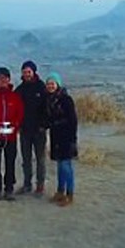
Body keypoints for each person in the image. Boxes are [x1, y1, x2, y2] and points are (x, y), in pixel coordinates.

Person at [0, 67, 24, 201]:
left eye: (5, 77)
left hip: (11, 136)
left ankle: (9, 188)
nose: (3, 80)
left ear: (9, 79)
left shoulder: (15, 97)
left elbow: (20, 113)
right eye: (0, 78)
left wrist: (15, 125)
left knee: (10, 162)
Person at [44, 72, 78, 207]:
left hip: (66, 137)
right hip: (55, 136)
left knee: (66, 166)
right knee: (59, 166)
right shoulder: (49, 99)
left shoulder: (66, 99)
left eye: (53, 83)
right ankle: (60, 191)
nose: (50, 86)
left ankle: (69, 194)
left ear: (58, 84)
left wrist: (72, 138)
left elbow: (73, 120)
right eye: (48, 84)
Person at [14, 60, 48, 196]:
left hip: (39, 131)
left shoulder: (41, 87)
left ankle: (40, 186)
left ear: (34, 72)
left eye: (29, 72)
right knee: (26, 159)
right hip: (25, 131)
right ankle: (27, 184)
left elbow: (47, 108)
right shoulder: (20, 89)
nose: (27, 74)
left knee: (40, 159)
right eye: (24, 72)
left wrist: (44, 125)